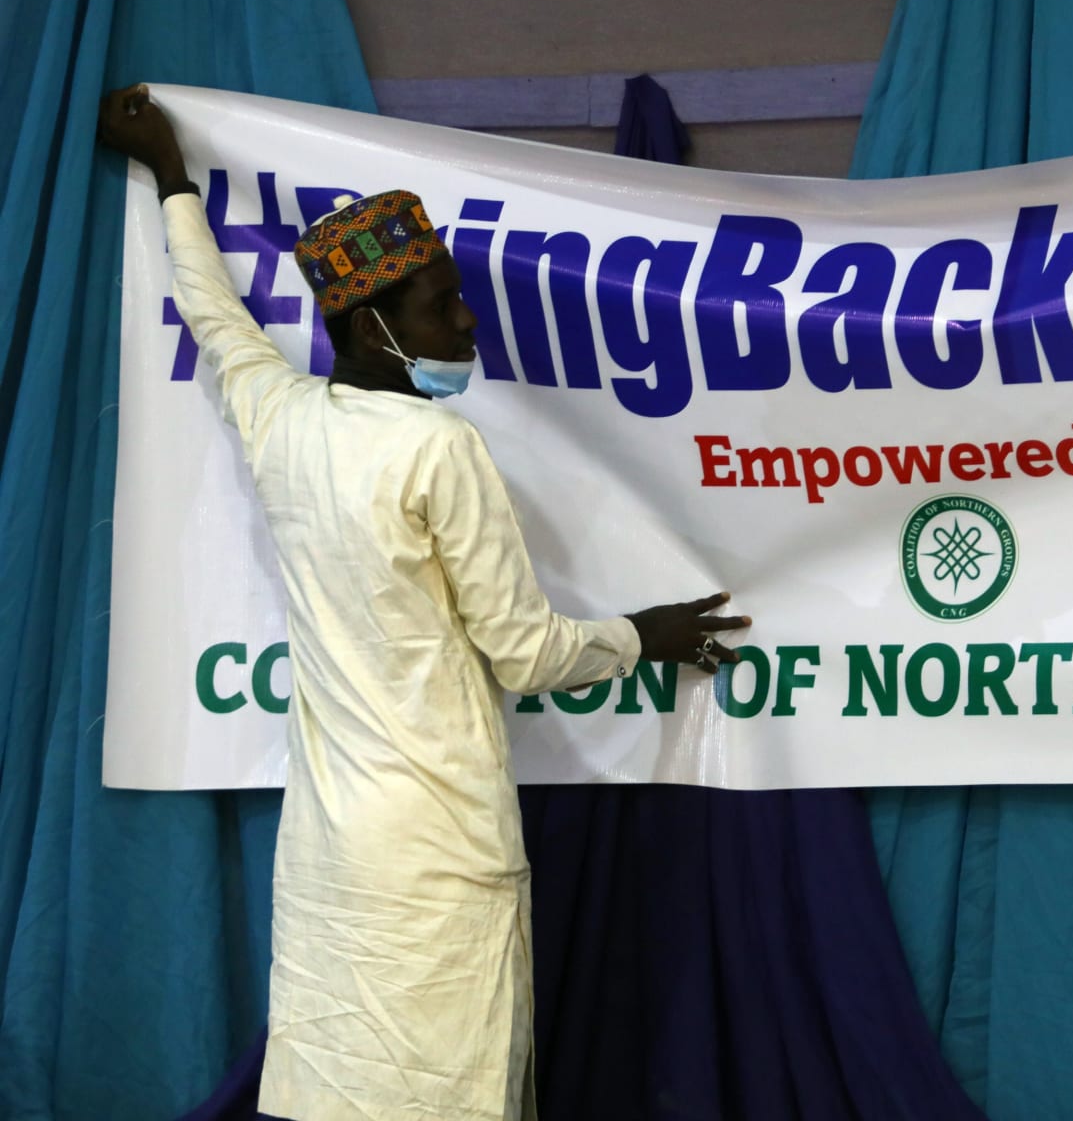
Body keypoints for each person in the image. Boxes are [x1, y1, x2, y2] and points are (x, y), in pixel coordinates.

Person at [97, 85, 750, 1121]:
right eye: (442, 300)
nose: (466, 314)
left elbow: (214, 317)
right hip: (443, 853)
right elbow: (527, 654)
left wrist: (172, 175)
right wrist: (646, 633)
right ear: (371, 324)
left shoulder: (284, 420)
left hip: (334, 856)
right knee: (453, 1090)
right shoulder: (441, 447)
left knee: (345, 1087)